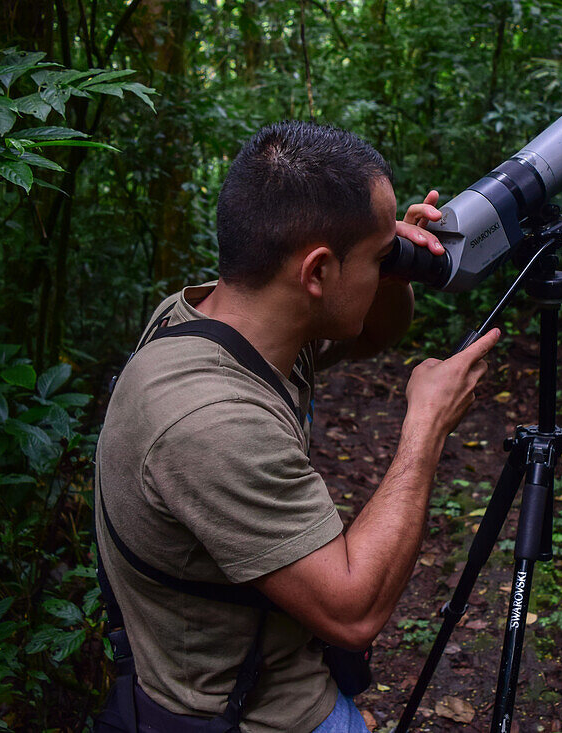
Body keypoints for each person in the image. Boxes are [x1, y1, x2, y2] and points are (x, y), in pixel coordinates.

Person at [94, 120, 500, 732]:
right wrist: (426, 426)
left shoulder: (210, 319)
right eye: (376, 256)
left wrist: (393, 262)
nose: (387, 261)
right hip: (256, 716)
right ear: (316, 274)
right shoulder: (212, 424)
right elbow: (353, 611)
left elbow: (375, 331)